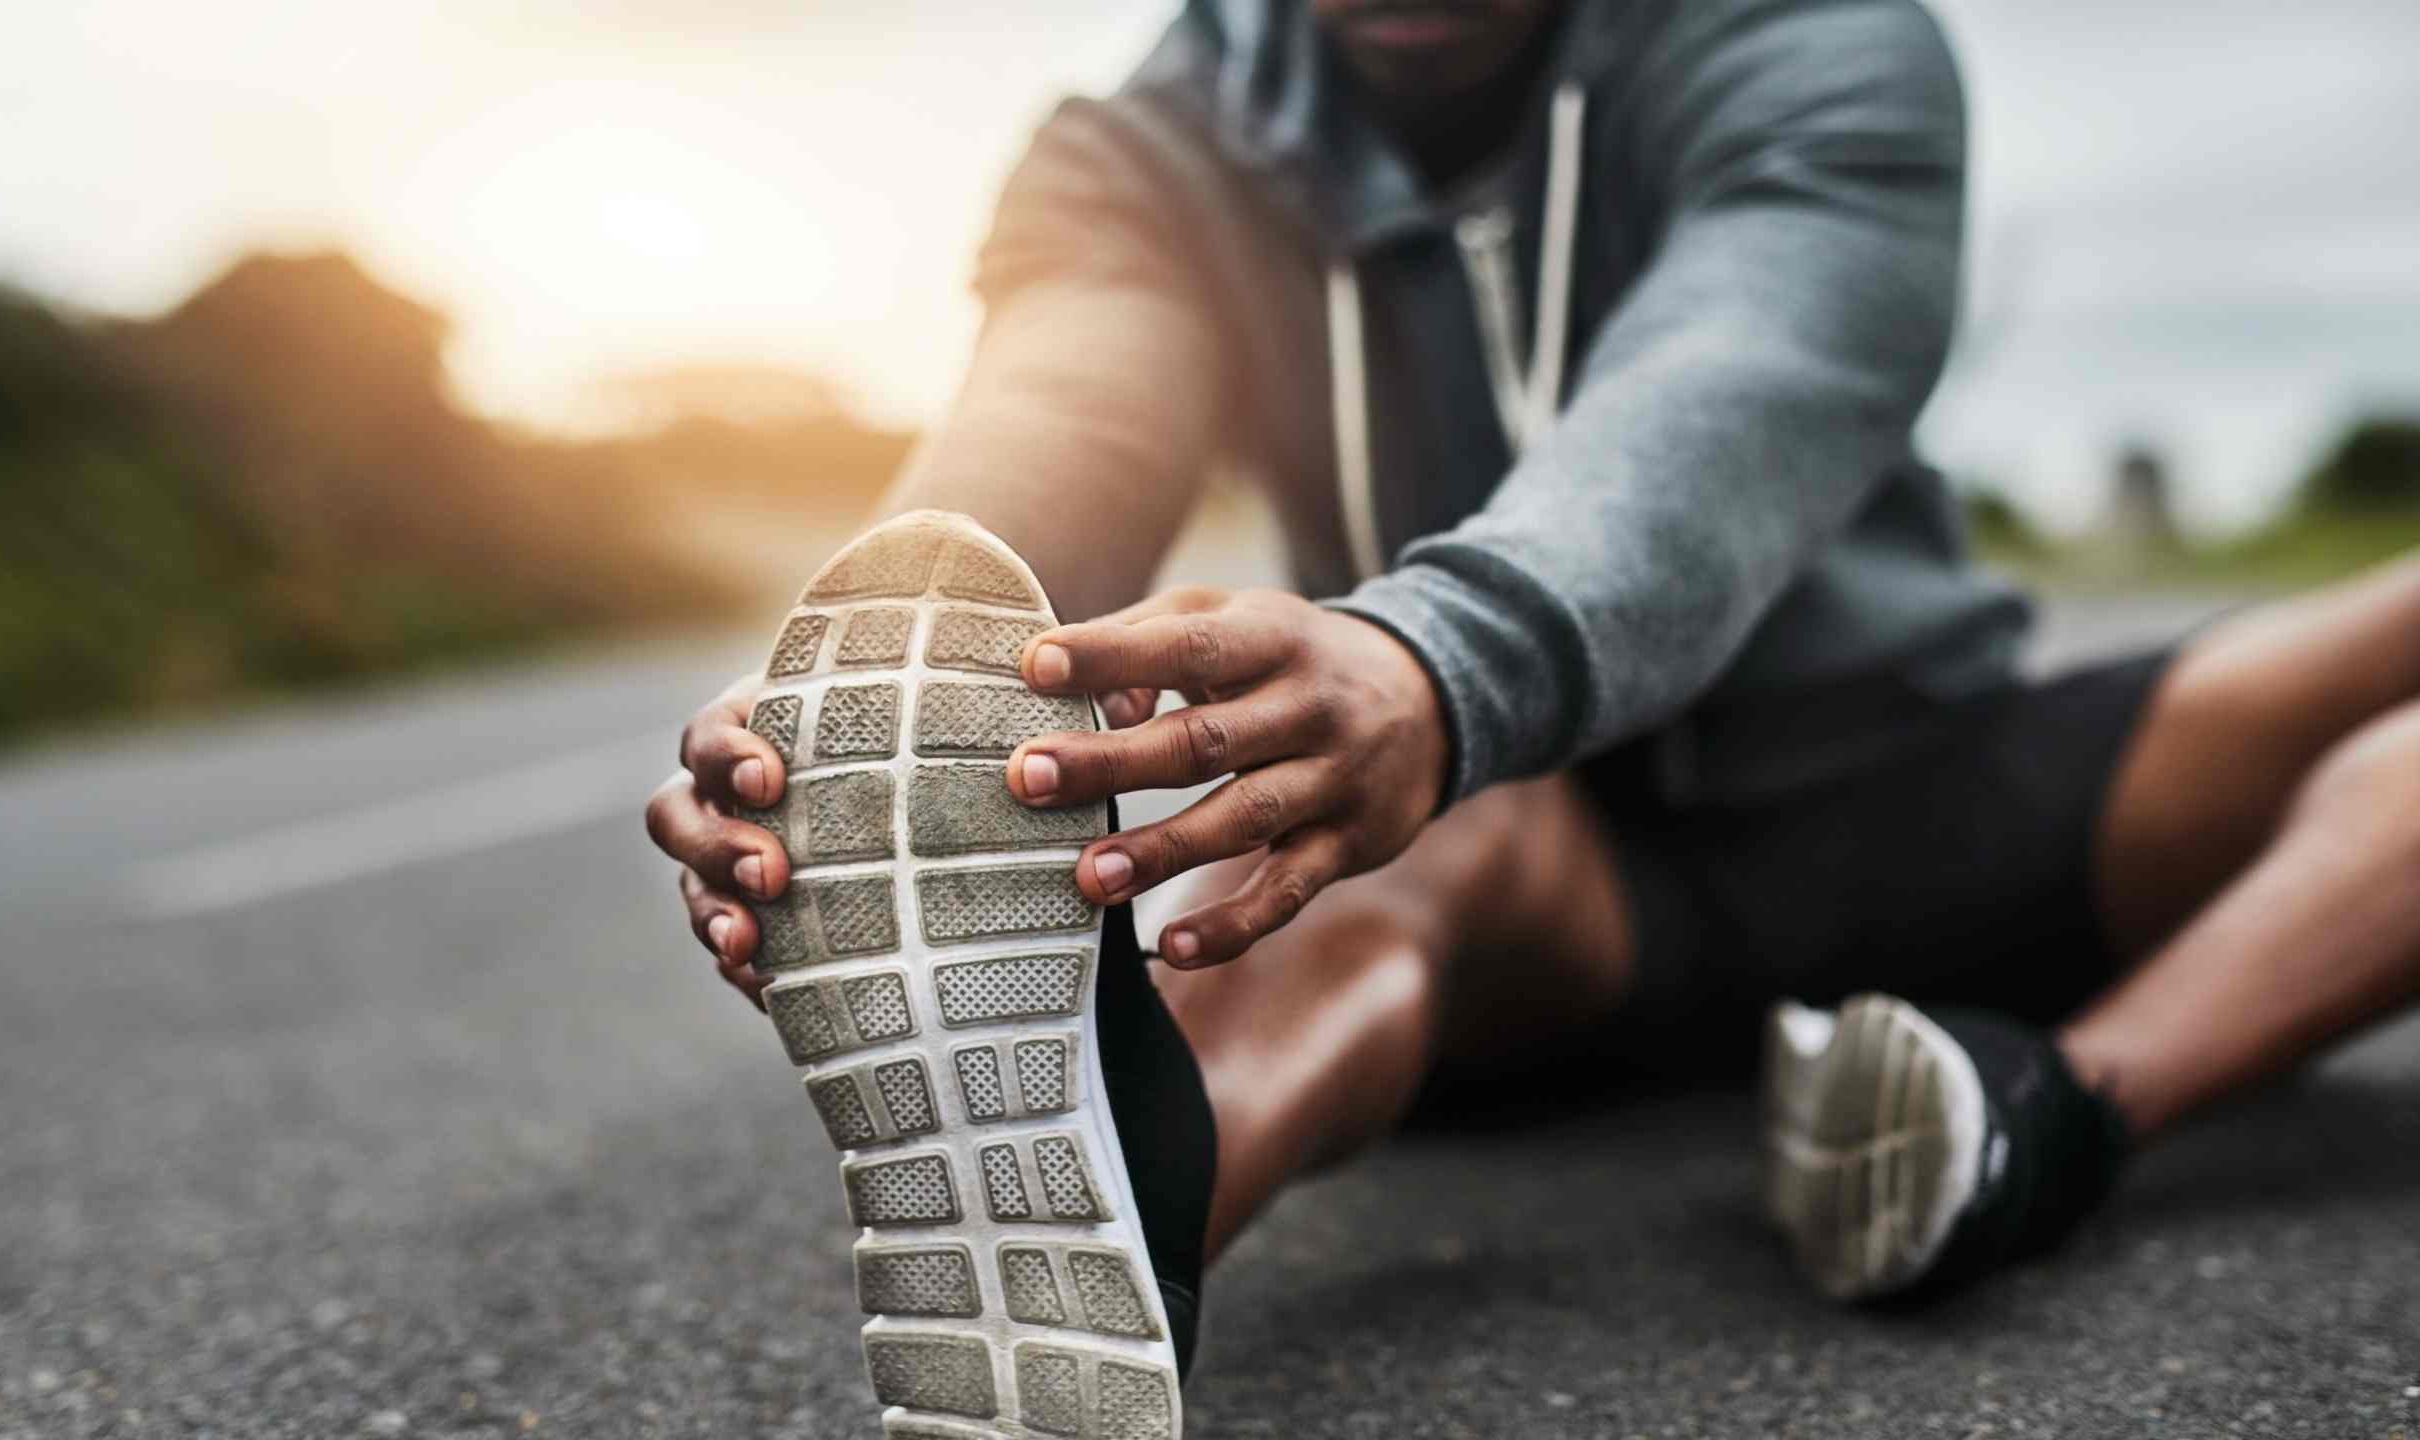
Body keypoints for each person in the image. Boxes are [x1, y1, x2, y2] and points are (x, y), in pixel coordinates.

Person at [647, 0, 2420, 1428]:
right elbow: (1066, 410)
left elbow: (1750, 373)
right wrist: (857, 700)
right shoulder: (1148, 151)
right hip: (1514, 846)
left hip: (1919, 781)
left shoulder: (1823, 42)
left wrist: (1437, 657)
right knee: (1363, 848)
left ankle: (2050, 1106)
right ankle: (1115, 1218)